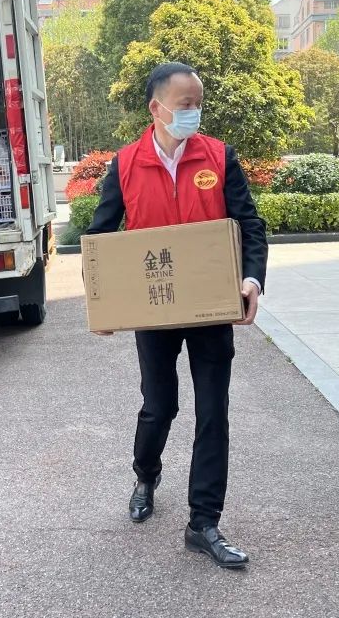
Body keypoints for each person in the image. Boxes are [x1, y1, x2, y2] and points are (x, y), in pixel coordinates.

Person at [86, 62, 267, 569]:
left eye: (198, 105)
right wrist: (103, 303)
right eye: (185, 104)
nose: (194, 113)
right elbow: (100, 239)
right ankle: (146, 475)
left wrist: (251, 280)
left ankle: (203, 522)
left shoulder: (218, 157)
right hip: (156, 311)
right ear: (157, 107)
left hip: (210, 309)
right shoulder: (126, 164)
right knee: (159, 405)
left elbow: (249, 224)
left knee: (213, 414)